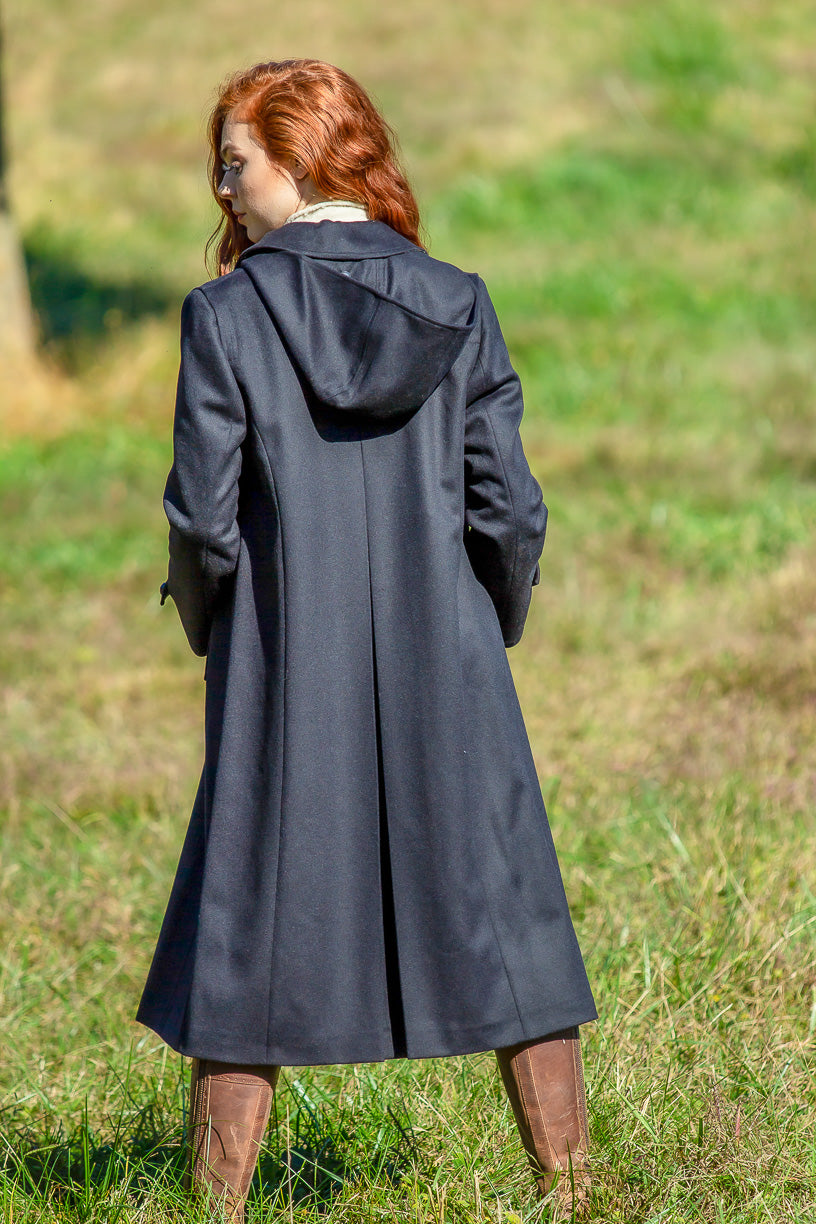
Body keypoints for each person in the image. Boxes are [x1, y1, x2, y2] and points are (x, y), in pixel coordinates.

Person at [136, 59, 597, 1220]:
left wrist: (220, 634)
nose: (224, 189)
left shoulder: (227, 315)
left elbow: (201, 516)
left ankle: (220, 1206)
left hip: (284, 668)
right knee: (509, 918)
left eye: (234, 163)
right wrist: (478, 632)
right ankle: (573, 1191)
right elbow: (512, 511)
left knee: (248, 920)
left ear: (300, 159)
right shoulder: (460, 299)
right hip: (453, 664)